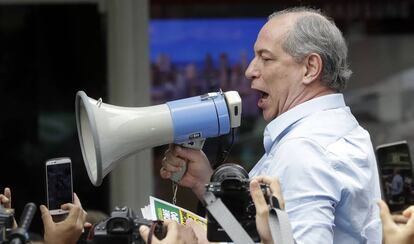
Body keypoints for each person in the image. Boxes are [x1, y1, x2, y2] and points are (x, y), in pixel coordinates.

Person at [160, 6, 382, 243]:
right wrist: (205, 184)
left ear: (310, 68)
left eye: (265, 58)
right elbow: (262, 237)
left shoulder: (303, 150)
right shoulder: (337, 129)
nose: (250, 71)